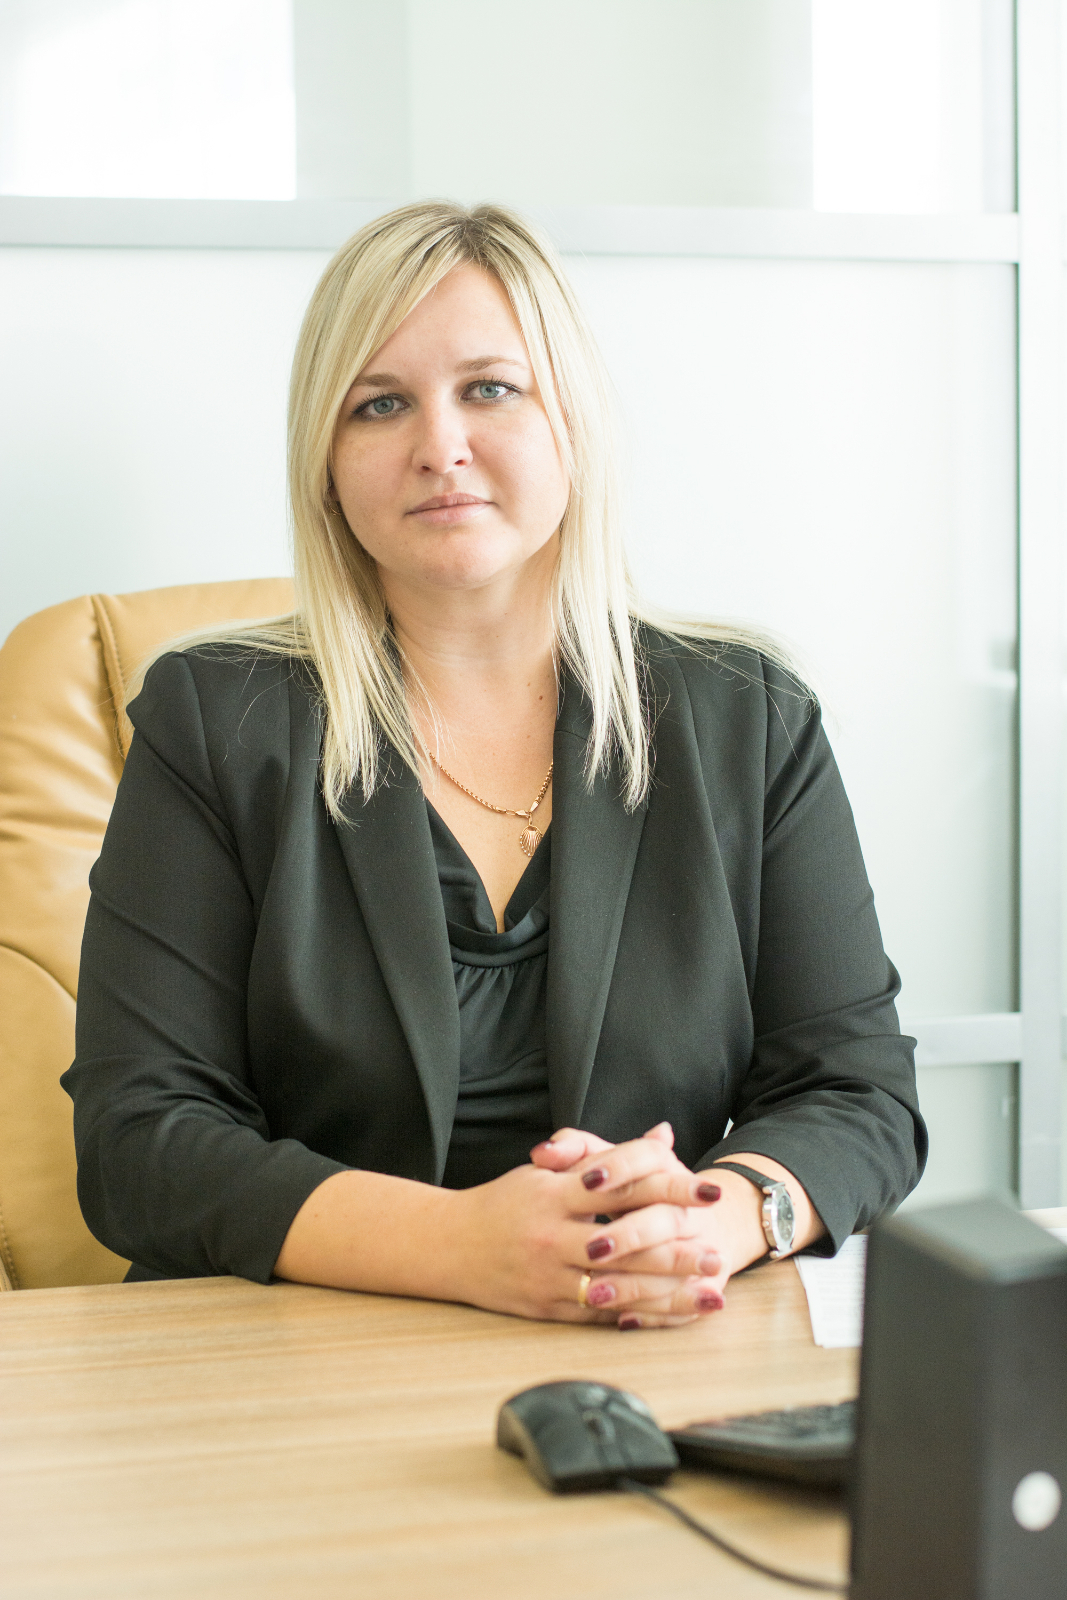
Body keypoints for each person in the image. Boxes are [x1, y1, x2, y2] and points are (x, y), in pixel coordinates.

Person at [63, 201, 926, 1329]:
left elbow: (855, 1090)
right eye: (379, 403)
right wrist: (463, 1245)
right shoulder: (217, 719)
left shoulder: (745, 717)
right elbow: (138, 1140)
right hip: (299, 1359)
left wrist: (702, 1225)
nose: (440, 445)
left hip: (647, 1337)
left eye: (490, 388)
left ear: (571, 419)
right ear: (325, 462)